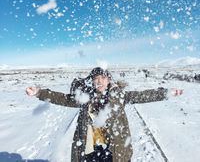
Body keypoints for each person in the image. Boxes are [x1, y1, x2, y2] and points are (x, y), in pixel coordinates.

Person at [26, 67, 183, 162]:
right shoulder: (85, 97)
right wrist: (39, 92)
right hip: (90, 149)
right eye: (96, 79)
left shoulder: (119, 96)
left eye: (103, 78)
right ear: (92, 81)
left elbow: (142, 96)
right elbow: (62, 98)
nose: (99, 81)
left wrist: (166, 93)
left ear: (109, 80)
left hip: (114, 149)